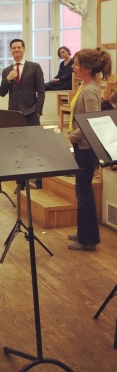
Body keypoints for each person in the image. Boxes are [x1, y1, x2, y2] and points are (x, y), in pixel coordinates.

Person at [67, 48, 112, 251]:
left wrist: (69, 138)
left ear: (87, 68)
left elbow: (91, 124)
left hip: (85, 148)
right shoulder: (85, 86)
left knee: (84, 191)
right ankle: (83, 232)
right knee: (81, 190)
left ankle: (89, 239)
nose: (72, 67)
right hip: (80, 145)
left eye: (76, 64)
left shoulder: (91, 90)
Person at [0, 38, 45, 189]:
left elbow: (41, 91)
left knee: (35, 146)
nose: (16, 50)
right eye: (13, 48)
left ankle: (39, 180)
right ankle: (21, 182)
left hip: (31, 112)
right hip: (14, 114)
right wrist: (7, 79)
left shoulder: (34, 67)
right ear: (11, 51)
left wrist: (38, 111)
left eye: (19, 47)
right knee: (17, 148)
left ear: (24, 49)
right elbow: (1, 92)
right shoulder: (7, 71)